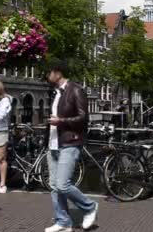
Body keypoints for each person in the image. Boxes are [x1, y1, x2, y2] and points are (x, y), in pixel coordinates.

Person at [45, 61, 98, 232]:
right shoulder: (54, 93)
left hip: (70, 142)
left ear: (58, 73)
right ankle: (63, 222)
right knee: (54, 186)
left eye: (49, 72)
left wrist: (61, 121)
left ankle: (89, 207)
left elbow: (84, 117)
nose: (48, 75)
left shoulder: (75, 90)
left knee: (62, 184)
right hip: (53, 143)